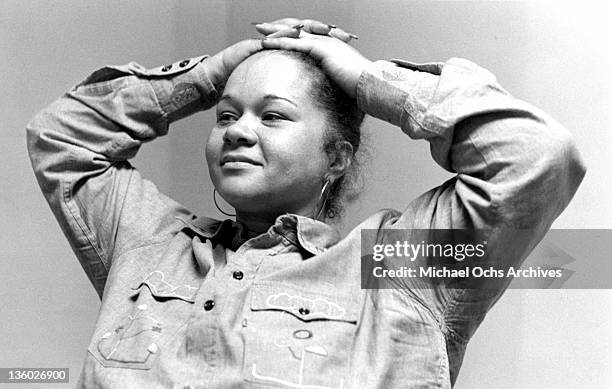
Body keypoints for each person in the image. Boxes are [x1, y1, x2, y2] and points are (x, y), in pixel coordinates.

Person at [27, 17, 585, 389]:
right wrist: (209, 75)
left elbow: (537, 157)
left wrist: (368, 79)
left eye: (272, 115)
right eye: (226, 115)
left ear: (337, 157)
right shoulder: (149, 245)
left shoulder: (394, 270)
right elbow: (60, 136)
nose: (238, 131)